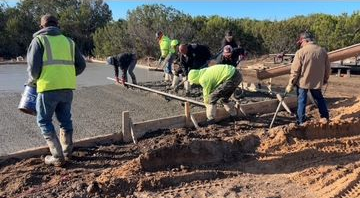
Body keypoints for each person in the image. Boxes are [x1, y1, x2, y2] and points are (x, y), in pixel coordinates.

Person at [26, 14, 86, 166]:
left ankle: (57, 157)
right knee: (65, 120)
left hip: (47, 88)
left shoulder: (38, 40)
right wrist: (68, 75)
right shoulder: (69, 41)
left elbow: (33, 70)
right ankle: (67, 152)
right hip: (67, 88)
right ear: (57, 25)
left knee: (44, 120)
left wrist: (34, 81)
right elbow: (81, 65)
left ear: (42, 27)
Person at [286, 31, 330, 125]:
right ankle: (325, 117)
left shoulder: (300, 52)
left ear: (304, 40)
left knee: (302, 101)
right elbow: (327, 68)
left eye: (301, 42)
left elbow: (295, 70)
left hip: (303, 82)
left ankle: (301, 121)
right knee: (319, 99)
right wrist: (325, 79)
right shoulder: (322, 51)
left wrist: (291, 83)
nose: (300, 45)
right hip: (317, 82)